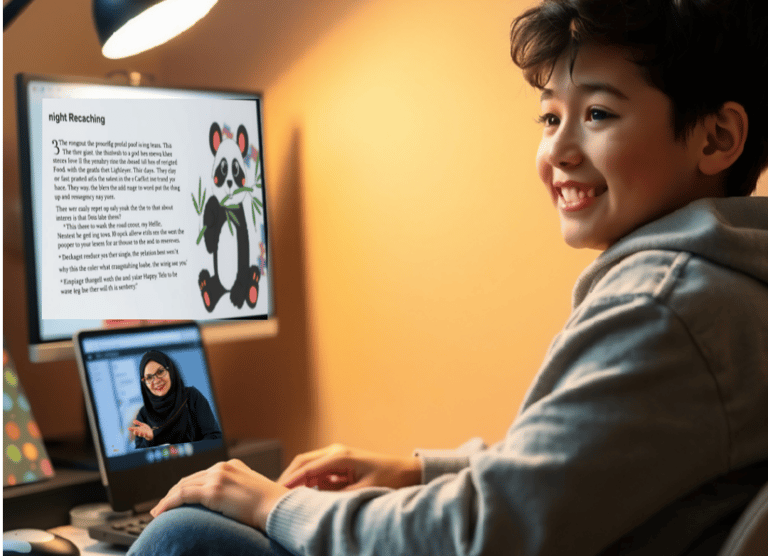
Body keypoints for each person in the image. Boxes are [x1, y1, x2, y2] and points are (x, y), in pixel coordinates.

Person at [128, 0, 768, 554]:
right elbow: (579, 474)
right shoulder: (721, 283)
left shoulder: (666, 306)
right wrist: (417, 472)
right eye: (550, 117)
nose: (559, 151)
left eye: (597, 114)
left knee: (187, 536)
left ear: (717, 137)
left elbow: (480, 537)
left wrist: (271, 505)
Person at [129, 350, 222, 449]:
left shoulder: (192, 397)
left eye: (160, 372)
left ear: (170, 370)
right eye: (149, 377)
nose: (156, 381)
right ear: (144, 383)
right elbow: (140, 459)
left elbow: (214, 437)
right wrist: (149, 440)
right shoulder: (143, 416)